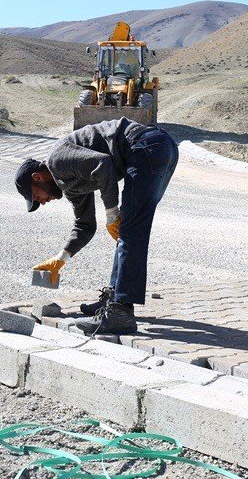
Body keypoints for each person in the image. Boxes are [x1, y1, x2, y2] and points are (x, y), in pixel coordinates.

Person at [15, 118, 179, 334]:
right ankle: (114, 298)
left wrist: (112, 213)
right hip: (157, 149)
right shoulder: (69, 185)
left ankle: (120, 313)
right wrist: (60, 259)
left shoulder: (57, 160)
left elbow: (104, 165)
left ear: (38, 177)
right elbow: (85, 225)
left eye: (37, 196)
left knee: (130, 230)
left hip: (146, 146)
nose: (42, 202)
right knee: (128, 229)